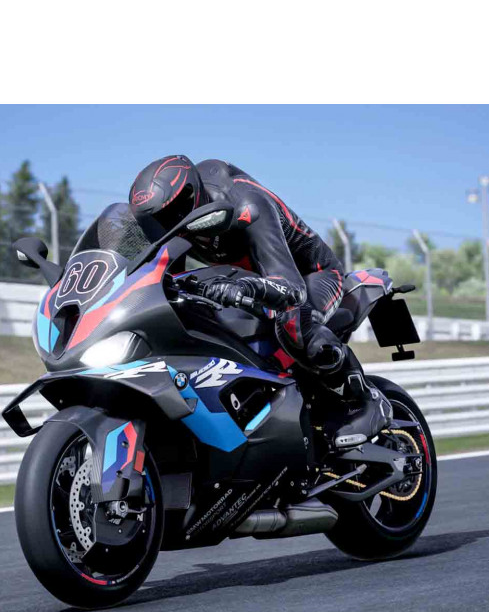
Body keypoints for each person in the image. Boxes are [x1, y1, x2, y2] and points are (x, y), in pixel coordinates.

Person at [128, 155, 392, 447]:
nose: (163, 225)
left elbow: (292, 289)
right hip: (251, 283)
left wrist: (241, 285)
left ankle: (366, 400)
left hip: (311, 274)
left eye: (170, 214)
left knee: (293, 322)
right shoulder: (173, 228)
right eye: (154, 220)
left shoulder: (245, 204)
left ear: (191, 196)